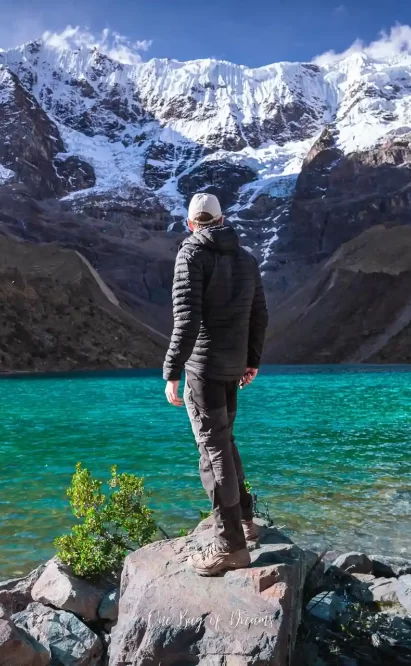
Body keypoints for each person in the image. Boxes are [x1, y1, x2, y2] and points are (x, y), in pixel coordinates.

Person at [163, 192, 269, 576]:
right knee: (226, 442)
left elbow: (187, 320)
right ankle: (244, 520)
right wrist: (252, 360)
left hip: (204, 369)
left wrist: (172, 370)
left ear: (191, 223)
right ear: (222, 220)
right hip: (233, 366)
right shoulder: (246, 258)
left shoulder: (191, 254)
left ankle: (231, 547)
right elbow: (260, 314)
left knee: (213, 452)